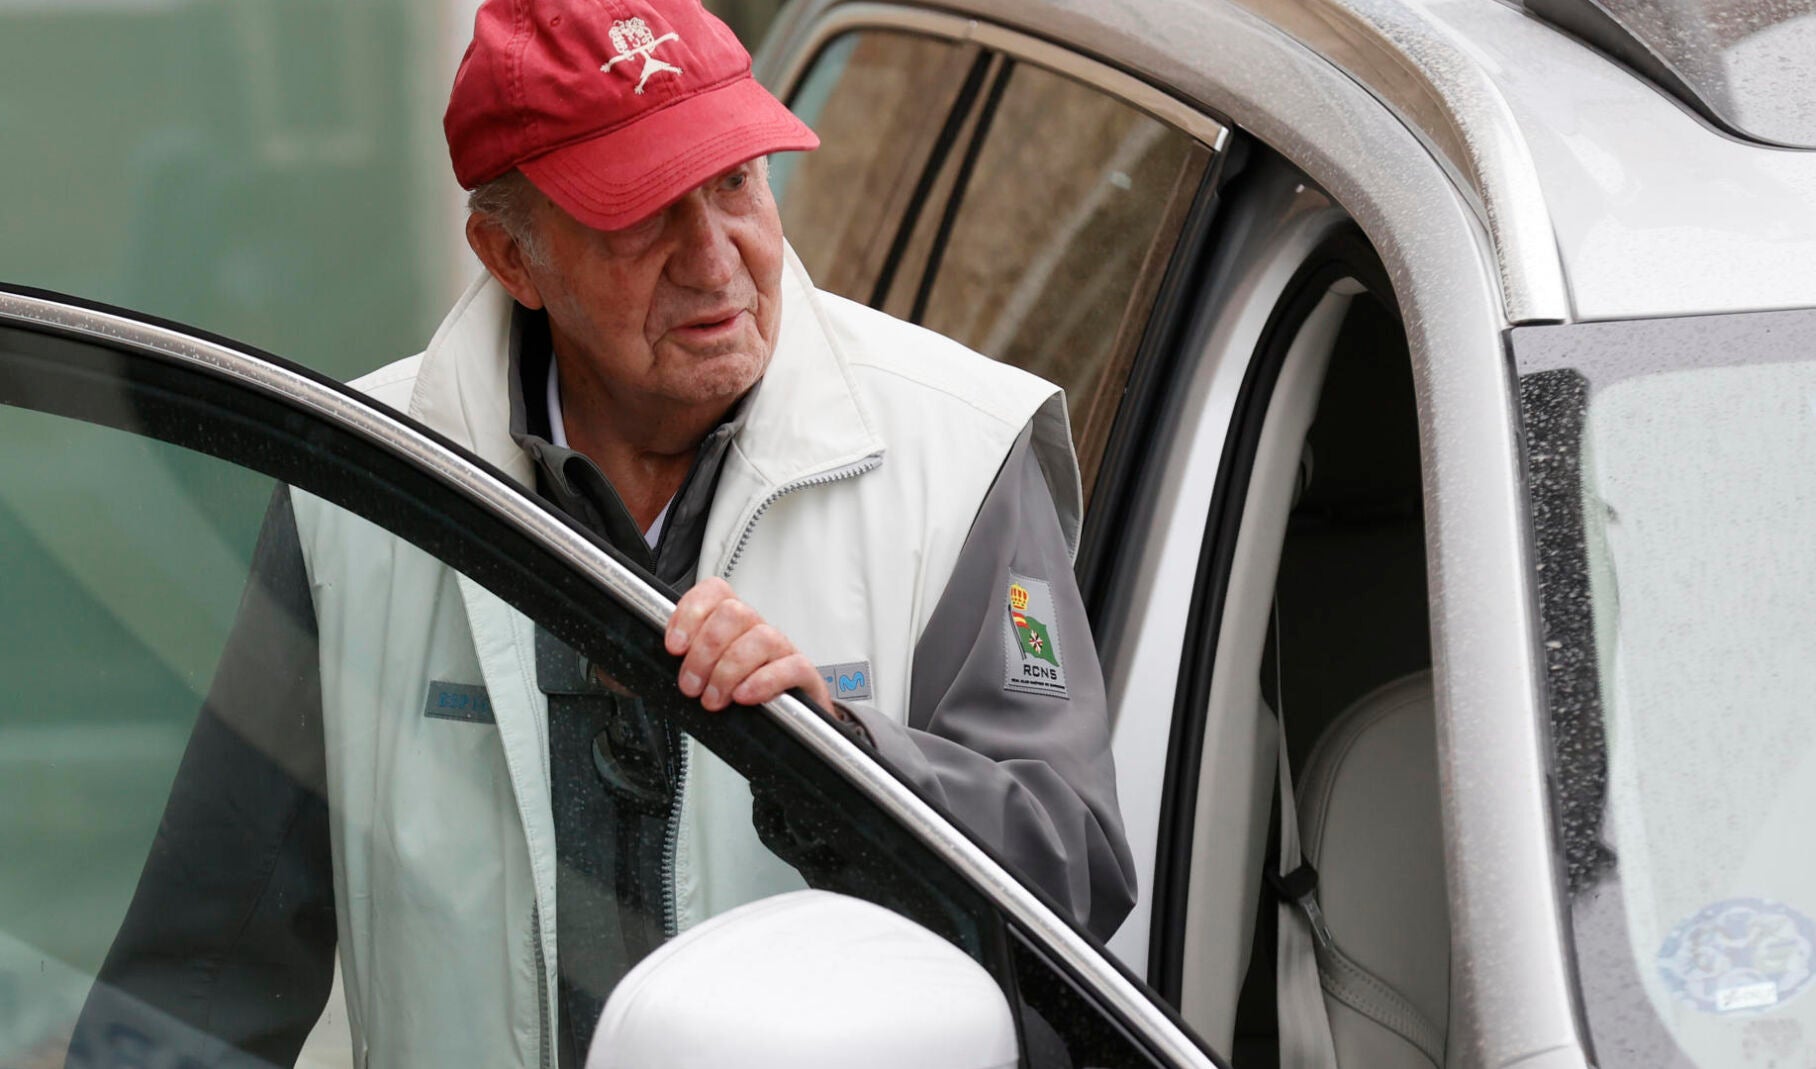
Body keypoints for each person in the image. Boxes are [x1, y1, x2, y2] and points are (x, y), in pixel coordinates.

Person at [71, 1, 1135, 1066]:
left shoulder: (960, 453)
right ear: (510, 256)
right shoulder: (355, 493)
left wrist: (840, 761)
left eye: (736, 181)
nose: (715, 260)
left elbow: (1071, 881)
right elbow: (198, 979)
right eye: (644, 212)